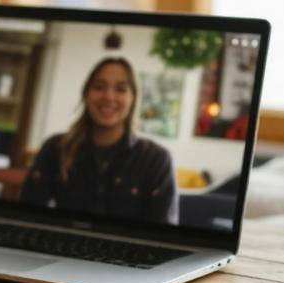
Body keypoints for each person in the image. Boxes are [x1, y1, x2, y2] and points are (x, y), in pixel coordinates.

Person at [20, 57, 178, 225]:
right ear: (86, 94)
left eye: (121, 89)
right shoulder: (55, 148)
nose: (108, 96)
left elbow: (163, 235)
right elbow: (28, 217)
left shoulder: (156, 159)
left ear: (133, 99)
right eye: (99, 87)